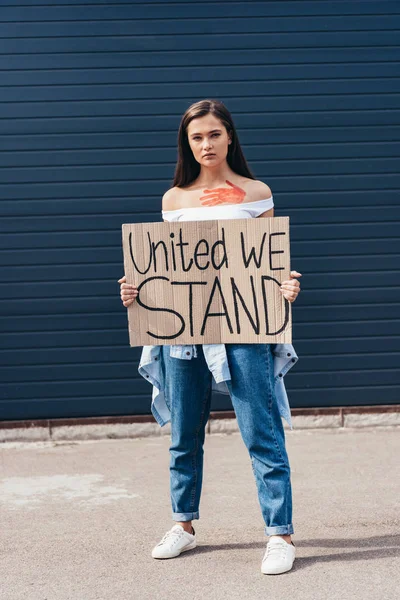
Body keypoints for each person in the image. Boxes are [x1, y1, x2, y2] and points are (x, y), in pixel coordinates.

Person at [118, 99, 302, 575]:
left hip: (244, 327)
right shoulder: (173, 200)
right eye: (196, 137)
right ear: (187, 143)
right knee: (183, 435)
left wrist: (286, 284)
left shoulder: (256, 193)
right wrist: (137, 290)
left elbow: (271, 263)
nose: (206, 144)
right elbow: (167, 268)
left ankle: (279, 534)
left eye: (214, 134)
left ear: (229, 137)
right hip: (184, 333)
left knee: (261, 431)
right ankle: (183, 525)